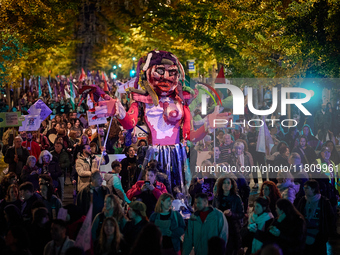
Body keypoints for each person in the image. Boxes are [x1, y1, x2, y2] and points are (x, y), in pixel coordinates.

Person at [296, 180, 334, 255]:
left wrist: (327, 233)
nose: (304, 190)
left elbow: (330, 217)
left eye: (307, 188)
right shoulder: (303, 200)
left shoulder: (324, 201)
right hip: (305, 233)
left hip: (319, 234)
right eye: (304, 188)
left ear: (313, 189)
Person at [213, 177, 244, 255]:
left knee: (230, 249)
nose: (226, 185)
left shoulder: (236, 198)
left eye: (228, 183)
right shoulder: (217, 197)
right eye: (224, 183)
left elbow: (241, 214)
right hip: (220, 226)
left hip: (232, 228)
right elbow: (213, 212)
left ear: (232, 185)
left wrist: (232, 214)